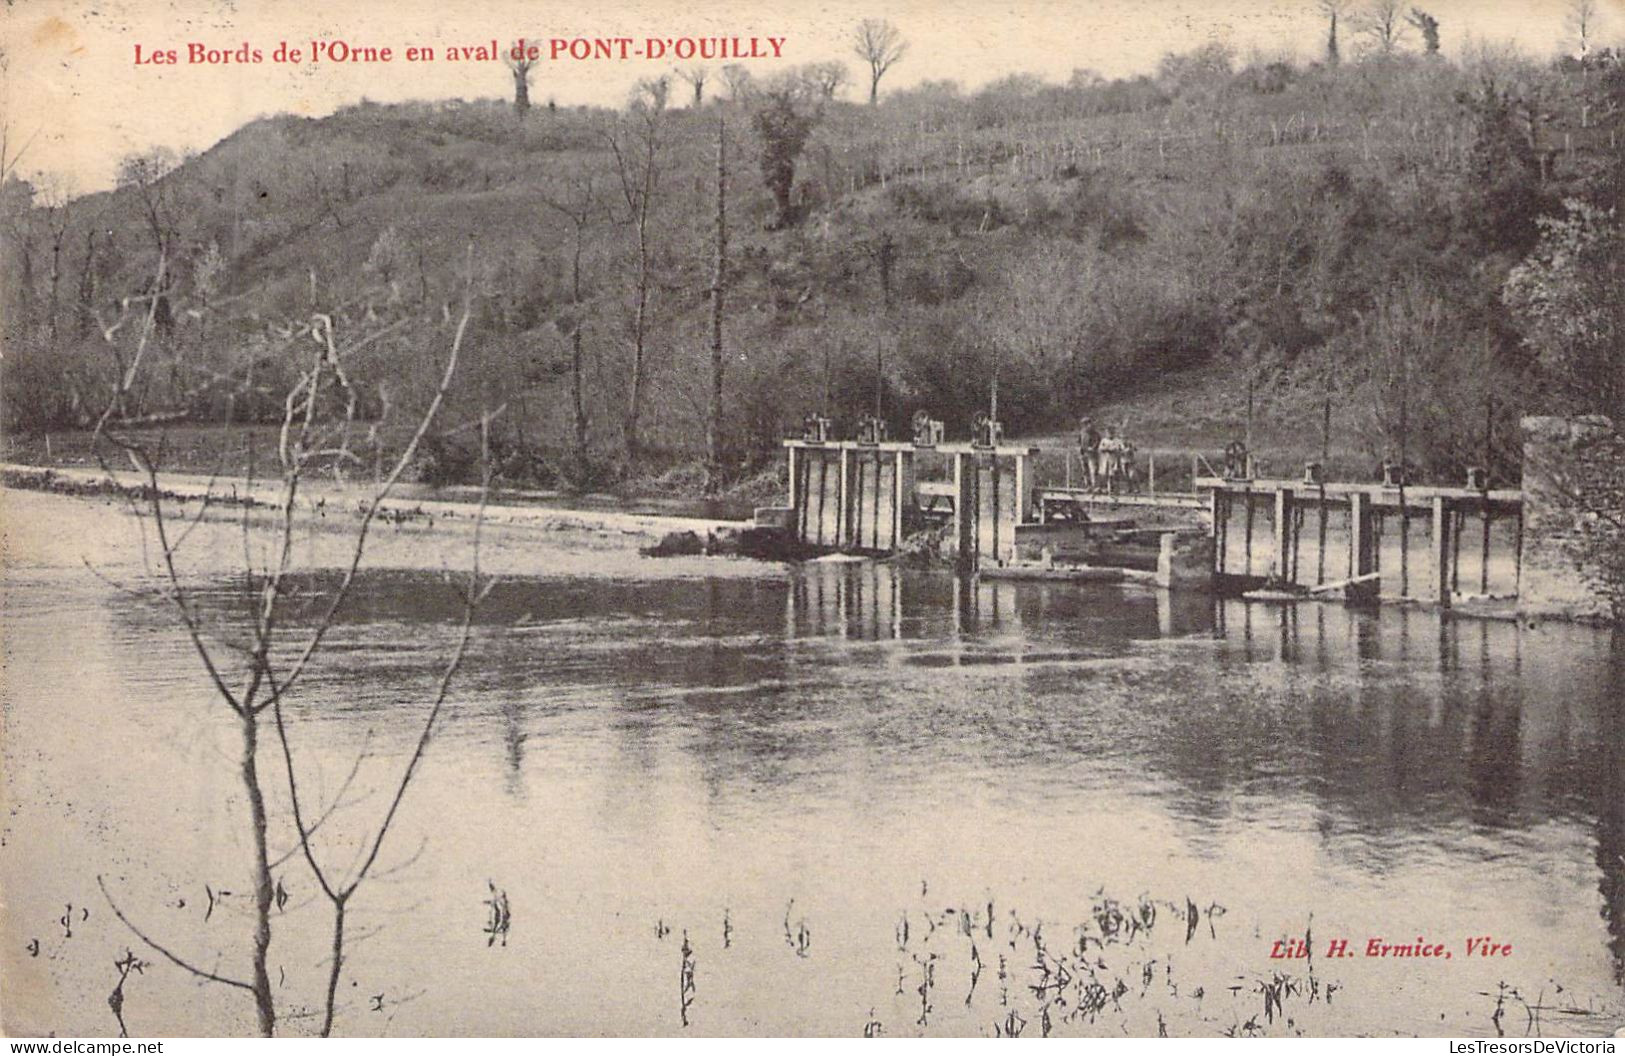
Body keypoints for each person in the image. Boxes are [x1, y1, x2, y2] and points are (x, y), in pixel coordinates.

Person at [1078, 417, 1102, 490]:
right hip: (1084, 454)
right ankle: (1088, 485)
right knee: (1085, 470)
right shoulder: (1082, 433)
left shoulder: (1095, 433)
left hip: (1092, 455)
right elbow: (1079, 441)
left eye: (1087, 423)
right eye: (1084, 424)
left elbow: (1098, 442)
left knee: (1093, 470)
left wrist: (1093, 448)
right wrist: (1080, 448)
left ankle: (1096, 486)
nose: (1086, 426)